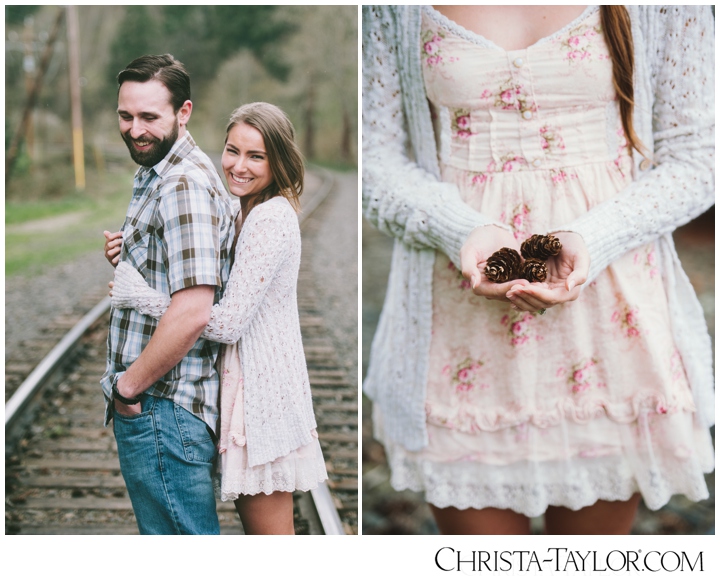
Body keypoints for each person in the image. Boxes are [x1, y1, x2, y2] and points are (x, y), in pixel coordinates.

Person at [362, 5, 714, 535]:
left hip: (608, 328)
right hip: (458, 325)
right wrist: (458, 229)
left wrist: (592, 240)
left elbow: (699, 157)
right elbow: (374, 159)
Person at [109, 102, 328, 535]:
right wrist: (126, 253)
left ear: (278, 160)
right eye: (232, 150)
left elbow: (225, 323)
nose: (238, 166)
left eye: (256, 156)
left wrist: (142, 297)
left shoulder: (271, 218)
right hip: (239, 389)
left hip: (262, 396)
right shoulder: (239, 209)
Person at [100, 54, 236, 535]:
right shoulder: (159, 167)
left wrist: (127, 388)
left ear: (184, 113)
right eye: (125, 115)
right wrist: (131, 257)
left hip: (163, 404)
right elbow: (175, 273)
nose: (134, 129)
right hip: (163, 406)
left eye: (149, 117)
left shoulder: (181, 183)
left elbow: (194, 310)